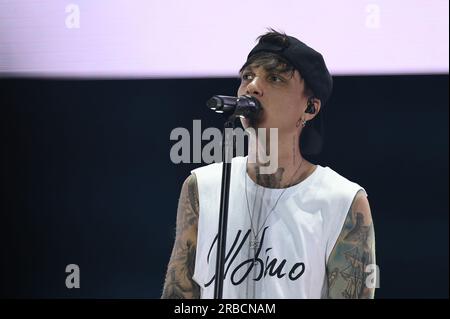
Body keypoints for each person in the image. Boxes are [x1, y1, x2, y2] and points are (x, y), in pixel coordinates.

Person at [162, 29, 376, 299]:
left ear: (310, 108)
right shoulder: (202, 187)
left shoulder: (342, 200)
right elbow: (178, 296)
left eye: (274, 78)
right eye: (247, 76)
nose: (252, 87)